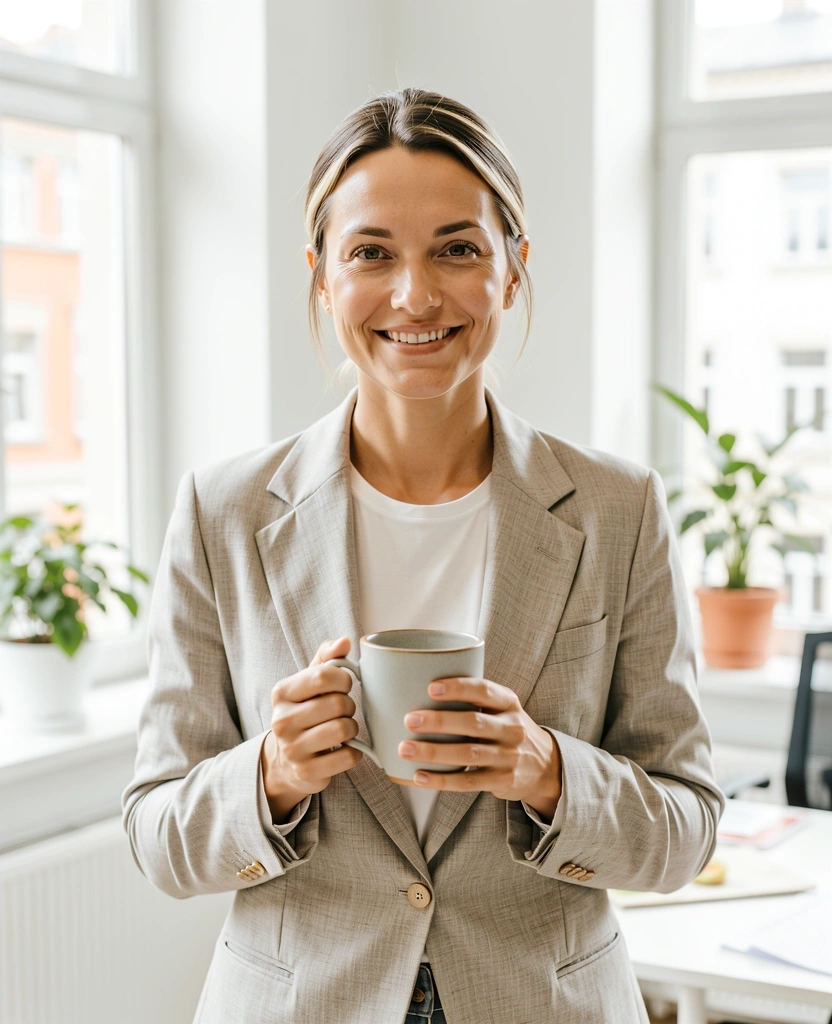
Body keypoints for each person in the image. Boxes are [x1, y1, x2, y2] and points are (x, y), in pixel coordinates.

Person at [122, 88, 724, 1024]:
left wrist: (548, 770)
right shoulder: (224, 511)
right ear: (321, 275)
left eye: (457, 248)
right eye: (372, 253)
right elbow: (158, 838)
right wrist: (271, 773)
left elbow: (685, 831)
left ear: (513, 270)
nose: (416, 295)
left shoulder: (619, 509)